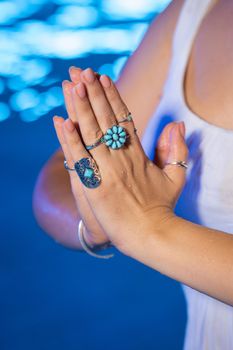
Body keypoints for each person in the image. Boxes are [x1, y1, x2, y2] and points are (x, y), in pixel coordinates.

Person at [33, 0, 233, 348]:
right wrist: (94, 219)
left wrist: (149, 229)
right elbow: (56, 173)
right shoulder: (194, 11)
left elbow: (142, 224)